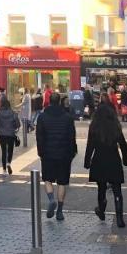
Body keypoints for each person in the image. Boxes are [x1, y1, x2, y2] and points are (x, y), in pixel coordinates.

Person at [84, 101, 127, 228]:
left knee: (101, 188)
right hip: (113, 159)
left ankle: (101, 210)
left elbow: (90, 145)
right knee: (117, 190)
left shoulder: (94, 126)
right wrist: (126, 160)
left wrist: (87, 161)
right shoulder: (115, 125)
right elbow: (123, 144)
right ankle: (120, 219)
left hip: (99, 160)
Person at [35, 91, 76, 221]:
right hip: (64, 154)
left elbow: (39, 137)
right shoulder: (68, 117)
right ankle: (59, 211)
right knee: (62, 182)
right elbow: (71, 137)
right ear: (59, 101)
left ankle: (51, 199)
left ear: (49, 102)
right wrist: (72, 152)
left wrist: (41, 152)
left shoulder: (42, 117)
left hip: (48, 153)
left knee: (47, 179)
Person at [0, 95, 21, 174]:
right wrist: (14, 127)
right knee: (10, 150)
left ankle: (4, 169)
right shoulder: (13, 113)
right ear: (9, 105)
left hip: (2, 134)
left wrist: (0, 128)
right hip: (11, 134)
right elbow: (18, 124)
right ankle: (8, 163)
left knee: (3, 151)